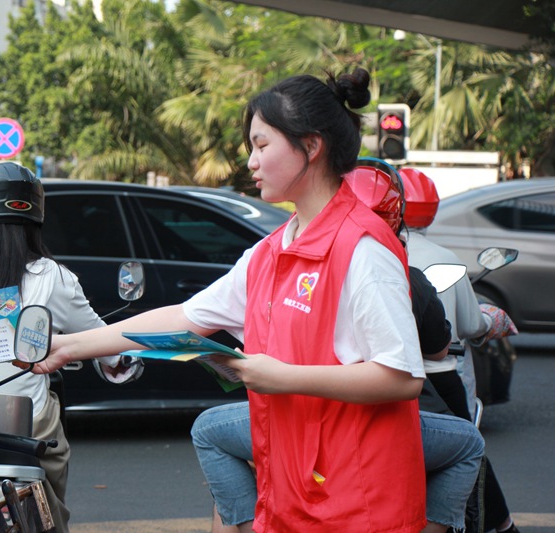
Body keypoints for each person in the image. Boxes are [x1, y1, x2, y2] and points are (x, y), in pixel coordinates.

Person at [32, 69, 427, 531]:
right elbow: (186, 317)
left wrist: (281, 376)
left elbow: (401, 378)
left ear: (311, 146)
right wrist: (70, 345)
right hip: (294, 491)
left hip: (358, 503)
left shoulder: (363, 249)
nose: (251, 163)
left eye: (262, 146)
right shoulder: (271, 250)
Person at [191, 166, 486, 533]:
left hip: (310, 418)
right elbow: (433, 354)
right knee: (469, 442)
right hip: (324, 423)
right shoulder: (288, 256)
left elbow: (396, 374)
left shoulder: (344, 258)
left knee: (209, 431)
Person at [0, 162, 137, 533]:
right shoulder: (55, 276)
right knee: (52, 511)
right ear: (36, 219)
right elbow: (101, 341)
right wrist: (117, 360)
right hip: (27, 424)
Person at [401, 167, 520, 533]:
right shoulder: (445, 258)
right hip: (441, 380)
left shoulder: (370, 252)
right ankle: (500, 526)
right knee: (469, 452)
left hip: (383, 376)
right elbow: (470, 326)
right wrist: (490, 321)